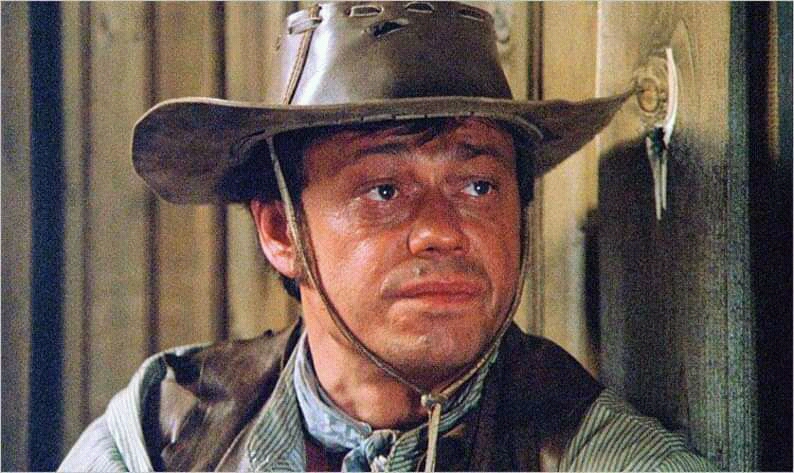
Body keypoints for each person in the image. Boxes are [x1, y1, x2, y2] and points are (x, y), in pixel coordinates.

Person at [60, 2, 714, 471]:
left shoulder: (594, 456)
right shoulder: (167, 433)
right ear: (282, 230)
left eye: (478, 186)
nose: (439, 231)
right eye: (383, 191)